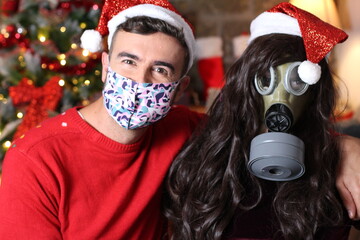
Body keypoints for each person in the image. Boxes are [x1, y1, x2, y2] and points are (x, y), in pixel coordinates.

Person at [0, 0, 360, 239]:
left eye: (160, 70)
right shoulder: (35, 161)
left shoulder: (184, 130)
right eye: (128, 62)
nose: (140, 82)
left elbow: (253, 124)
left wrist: (342, 146)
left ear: (180, 87)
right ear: (105, 65)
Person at [164, 2, 360, 240]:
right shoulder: (204, 161)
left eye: (296, 82)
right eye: (266, 79)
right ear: (246, 82)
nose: (280, 97)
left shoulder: (339, 171)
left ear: (315, 91)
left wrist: (344, 148)